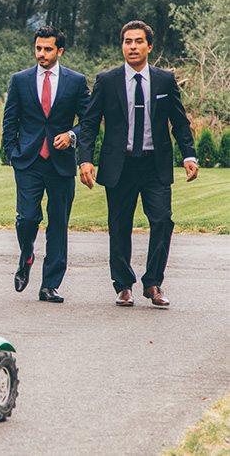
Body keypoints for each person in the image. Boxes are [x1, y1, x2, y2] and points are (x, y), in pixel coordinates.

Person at [77, 21, 198, 307]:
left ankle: (153, 283)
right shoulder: (107, 80)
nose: (133, 46)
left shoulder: (165, 80)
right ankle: (123, 285)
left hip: (154, 165)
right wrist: (85, 160)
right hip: (119, 165)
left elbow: (179, 122)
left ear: (149, 46)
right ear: (122, 46)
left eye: (138, 41)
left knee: (162, 221)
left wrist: (189, 155)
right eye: (128, 41)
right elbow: (89, 124)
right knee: (119, 226)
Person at [2, 26, 90, 303]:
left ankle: (50, 284)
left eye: (48, 49)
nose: (41, 53)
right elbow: (9, 120)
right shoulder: (20, 80)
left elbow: (88, 121)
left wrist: (72, 135)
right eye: (38, 48)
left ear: (59, 51)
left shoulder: (76, 81)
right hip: (28, 161)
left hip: (61, 164)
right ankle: (26, 253)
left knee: (58, 224)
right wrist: (12, 154)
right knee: (27, 218)